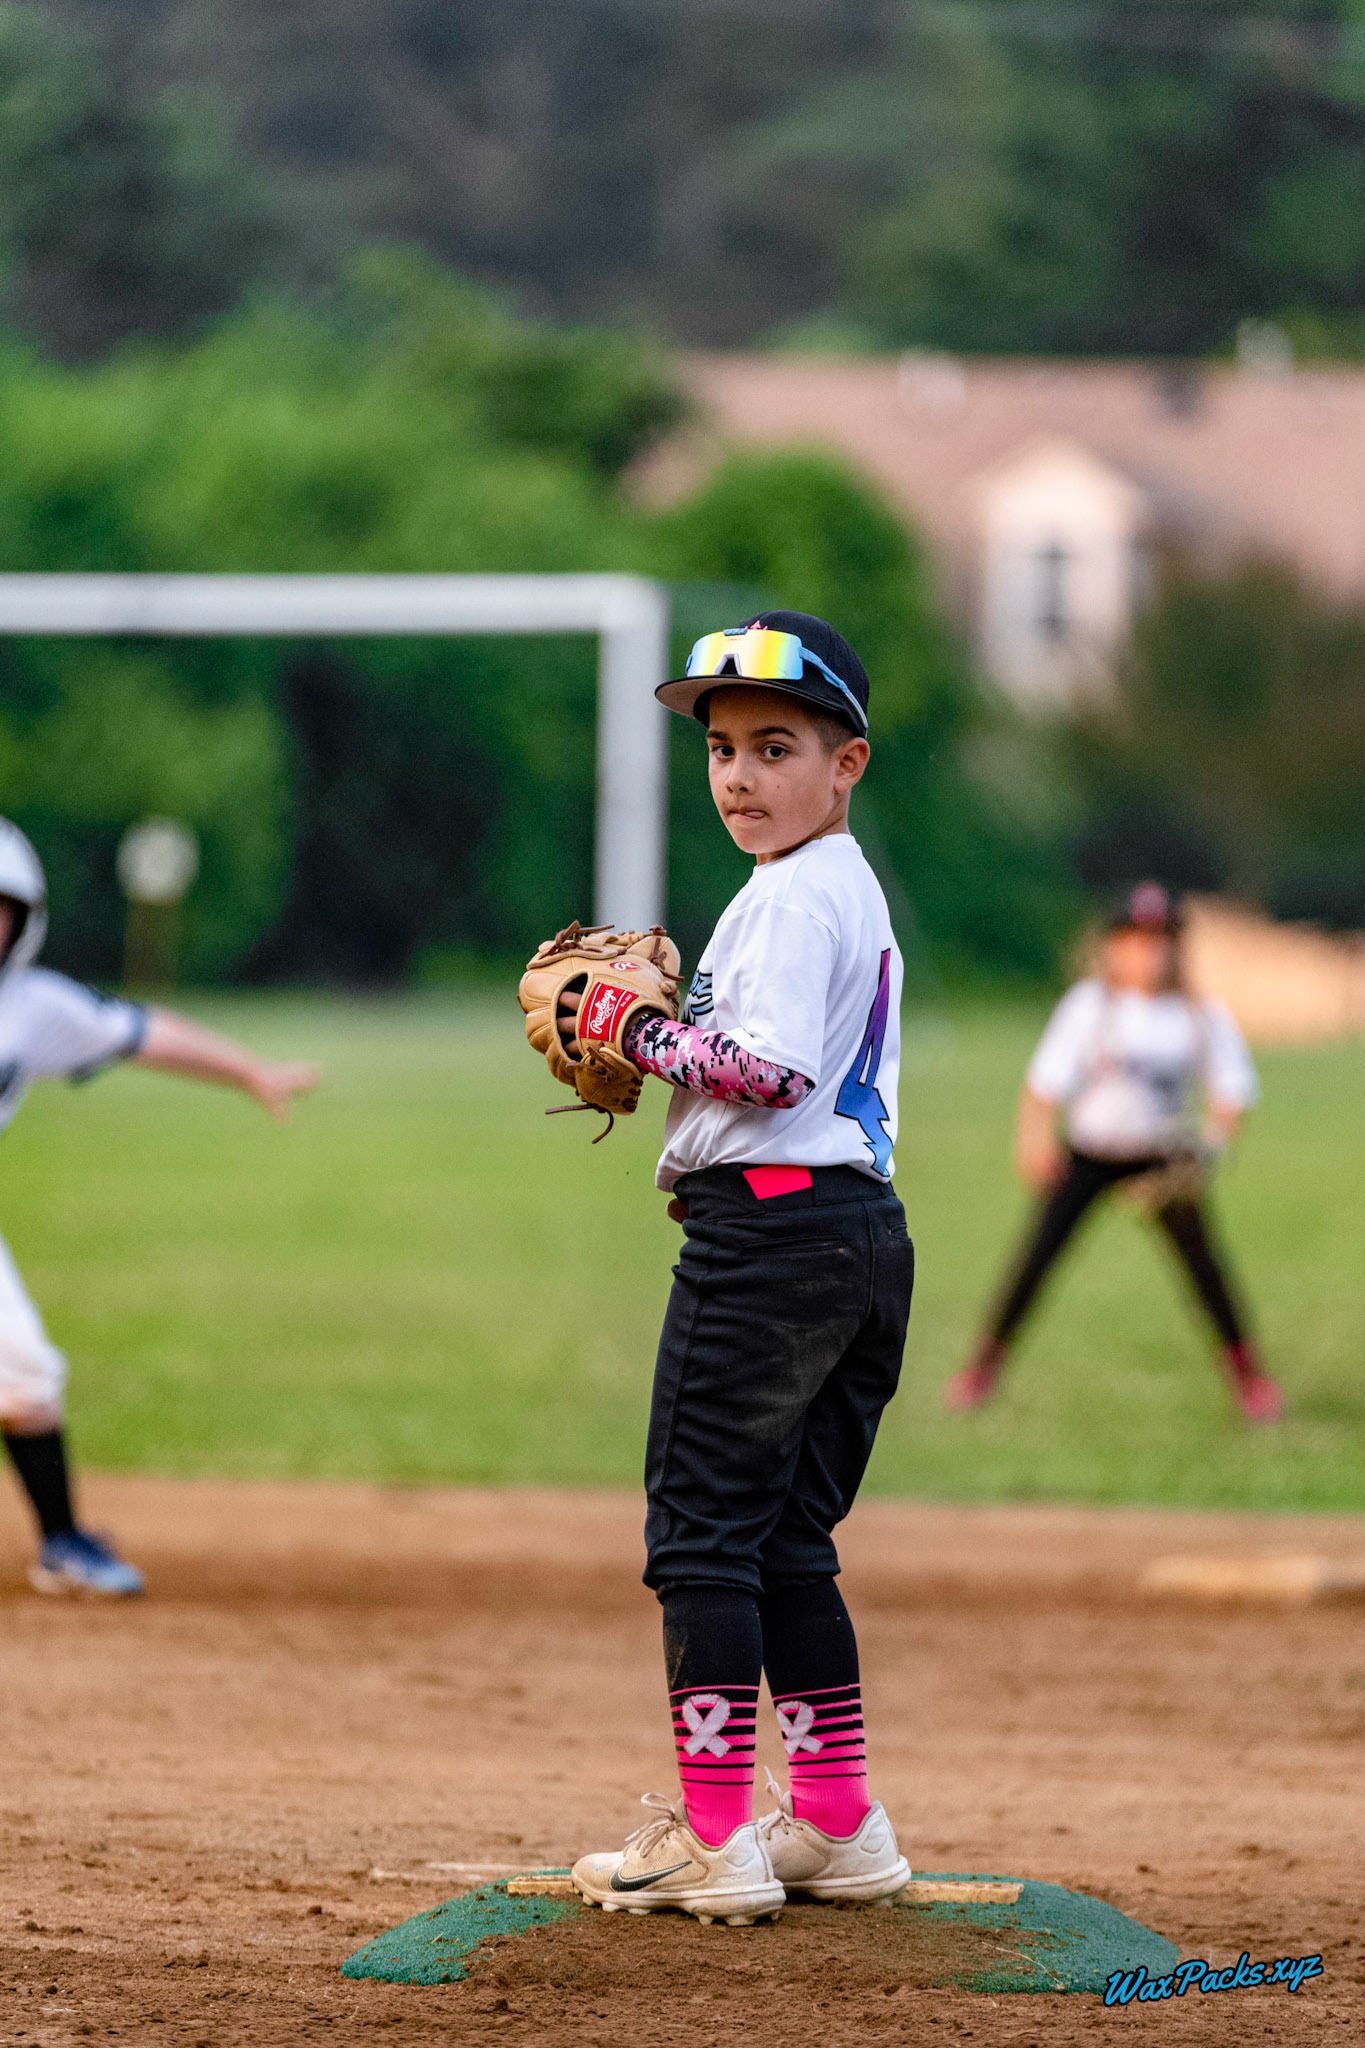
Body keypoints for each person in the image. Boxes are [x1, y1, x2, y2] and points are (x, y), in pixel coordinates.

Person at [566, 612, 916, 1926]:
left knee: (702, 1539)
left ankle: (714, 1836)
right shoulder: (844, 888)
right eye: (721, 749)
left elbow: (763, 1071)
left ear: (849, 763)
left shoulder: (787, 894)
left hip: (766, 1245)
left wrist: (639, 1029)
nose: (739, 776)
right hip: (856, 1242)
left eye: (776, 746)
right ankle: (832, 1820)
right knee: (786, 1544)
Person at [0, 819, 319, 1595]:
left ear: (25, 921)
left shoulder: (32, 1006)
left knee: (27, 1383)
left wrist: (250, 1073)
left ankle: (64, 1545)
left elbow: (144, 1032)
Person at [944, 881, 1282, 1422]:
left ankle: (1250, 1378)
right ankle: (981, 1370)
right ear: (1114, 945)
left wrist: (1207, 1153)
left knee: (1205, 1269)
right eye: (1136, 939)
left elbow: (1232, 1094)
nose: (1151, 952)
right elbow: (1043, 1086)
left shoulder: (1198, 1014)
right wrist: (1034, 1141)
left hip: (1162, 1159)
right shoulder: (1091, 1006)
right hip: (1092, 1153)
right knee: (1036, 1259)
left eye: (1162, 939)